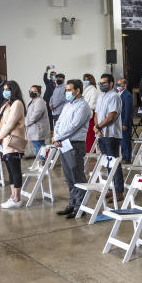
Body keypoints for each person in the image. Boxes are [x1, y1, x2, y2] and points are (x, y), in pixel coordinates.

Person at [54, 79, 92, 218]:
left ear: (78, 91)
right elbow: (59, 122)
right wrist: (56, 136)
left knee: (77, 176)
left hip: (75, 144)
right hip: (64, 144)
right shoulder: (68, 105)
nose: (67, 92)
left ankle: (80, 207)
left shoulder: (83, 107)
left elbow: (73, 127)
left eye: (69, 90)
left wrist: (58, 137)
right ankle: (72, 204)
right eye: (66, 90)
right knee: (69, 177)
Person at [0, 81, 27, 209]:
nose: (5, 91)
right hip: (4, 142)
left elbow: (10, 123)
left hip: (13, 141)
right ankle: (13, 196)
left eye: (8, 89)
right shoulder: (6, 104)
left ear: (14, 90)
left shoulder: (17, 104)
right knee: (10, 172)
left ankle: (17, 198)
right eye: (4, 89)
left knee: (15, 170)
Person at [94, 73, 125, 199]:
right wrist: (97, 128)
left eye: (104, 83)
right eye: (100, 83)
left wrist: (99, 127)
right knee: (108, 163)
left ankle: (119, 192)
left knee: (114, 163)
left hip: (111, 135)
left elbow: (111, 117)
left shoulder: (114, 96)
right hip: (101, 134)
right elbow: (95, 114)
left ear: (111, 83)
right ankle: (111, 188)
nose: (102, 85)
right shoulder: (101, 97)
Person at [25, 84, 50, 163]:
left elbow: (36, 115)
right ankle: (40, 161)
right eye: (31, 91)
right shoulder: (32, 101)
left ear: (39, 93)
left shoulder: (39, 101)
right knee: (37, 146)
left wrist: (26, 123)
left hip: (38, 128)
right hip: (33, 128)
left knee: (39, 146)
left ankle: (42, 162)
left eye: (35, 91)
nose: (32, 92)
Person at [116, 77, 133, 163]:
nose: (118, 86)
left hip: (124, 122)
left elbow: (128, 111)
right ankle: (123, 156)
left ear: (125, 85)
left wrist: (125, 124)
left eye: (120, 84)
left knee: (125, 141)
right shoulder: (119, 93)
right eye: (117, 84)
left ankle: (127, 158)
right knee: (121, 141)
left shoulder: (127, 95)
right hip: (118, 121)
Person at [82, 73, 99, 151]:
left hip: (91, 114)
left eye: (87, 80)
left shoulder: (93, 90)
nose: (85, 81)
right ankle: (88, 149)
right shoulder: (85, 89)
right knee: (87, 134)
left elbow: (93, 104)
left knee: (91, 134)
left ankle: (92, 150)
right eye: (84, 80)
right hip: (85, 113)